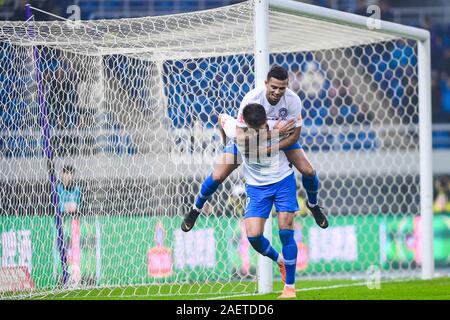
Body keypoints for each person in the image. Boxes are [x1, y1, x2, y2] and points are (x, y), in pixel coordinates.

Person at [181, 65, 328, 232]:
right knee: (217, 176)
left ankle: (313, 205)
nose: (278, 92)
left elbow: (294, 136)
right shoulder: (251, 100)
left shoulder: (293, 101)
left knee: (309, 171)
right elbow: (226, 122)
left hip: (281, 140)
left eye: (282, 88)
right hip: (249, 142)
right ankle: (195, 209)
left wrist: (272, 146)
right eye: (274, 87)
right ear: (266, 84)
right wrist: (226, 145)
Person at [236, 103, 299, 298]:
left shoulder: (276, 123)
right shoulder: (239, 134)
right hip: (257, 186)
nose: (264, 129)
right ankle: (280, 260)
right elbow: (222, 120)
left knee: (286, 230)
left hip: (282, 179)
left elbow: (295, 133)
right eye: (259, 129)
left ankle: (290, 287)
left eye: (265, 126)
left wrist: (276, 133)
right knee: (253, 236)